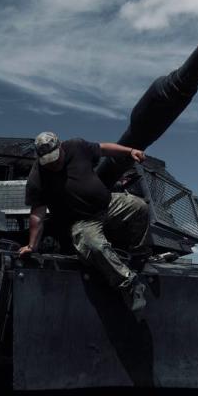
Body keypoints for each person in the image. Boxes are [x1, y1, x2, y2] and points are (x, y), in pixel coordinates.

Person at [20, 132, 150, 311]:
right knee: (93, 245)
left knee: (139, 206)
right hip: (82, 221)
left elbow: (103, 148)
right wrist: (31, 245)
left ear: (61, 147)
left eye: (55, 158)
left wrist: (130, 151)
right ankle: (130, 284)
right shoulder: (37, 178)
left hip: (108, 204)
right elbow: (37, 214)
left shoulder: (76, 146)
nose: (53, 164)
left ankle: (138, 256)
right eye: (48, 161)